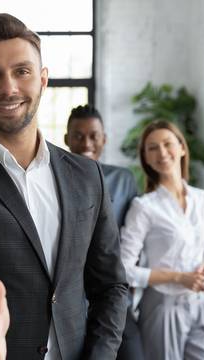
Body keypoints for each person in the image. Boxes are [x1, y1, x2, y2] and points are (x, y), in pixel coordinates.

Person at [0, 13, 128, 360]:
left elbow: (110, 285)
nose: (9, 88)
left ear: (43, 79)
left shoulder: (87, 175)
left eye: (22, 71)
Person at [119, 120, 204, 360]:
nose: (162, 152)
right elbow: (124, 269)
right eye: (152, 148)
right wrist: (179, 277)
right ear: (145, 157)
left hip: (202, 303)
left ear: (182, 148)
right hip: (162, 306)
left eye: (167, 144)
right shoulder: (144, 207)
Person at [64, 104, 143, 360]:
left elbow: (136, 235)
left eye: (93, 135)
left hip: (112, 292)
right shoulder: (55, 179)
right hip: (69, 296)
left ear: (104, 139)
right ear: (67, 139)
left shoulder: (123, 179)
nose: (86, 142)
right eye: (78, 135)